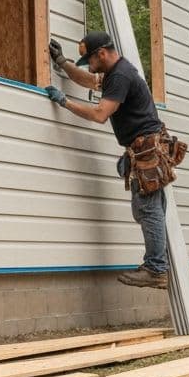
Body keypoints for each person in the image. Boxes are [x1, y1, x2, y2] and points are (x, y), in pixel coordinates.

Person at [45, 31, 168, 290]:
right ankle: (156, 265)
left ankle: (156, 269)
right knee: (146, 209)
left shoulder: (120, 76)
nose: (89, 66)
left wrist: (65, 102)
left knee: (148, 210)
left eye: (90, 59)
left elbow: (101, 114)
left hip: (146, 150)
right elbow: (89, 81)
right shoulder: (116, 74)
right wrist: (62, 63)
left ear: (101, 53)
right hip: (143, 150)